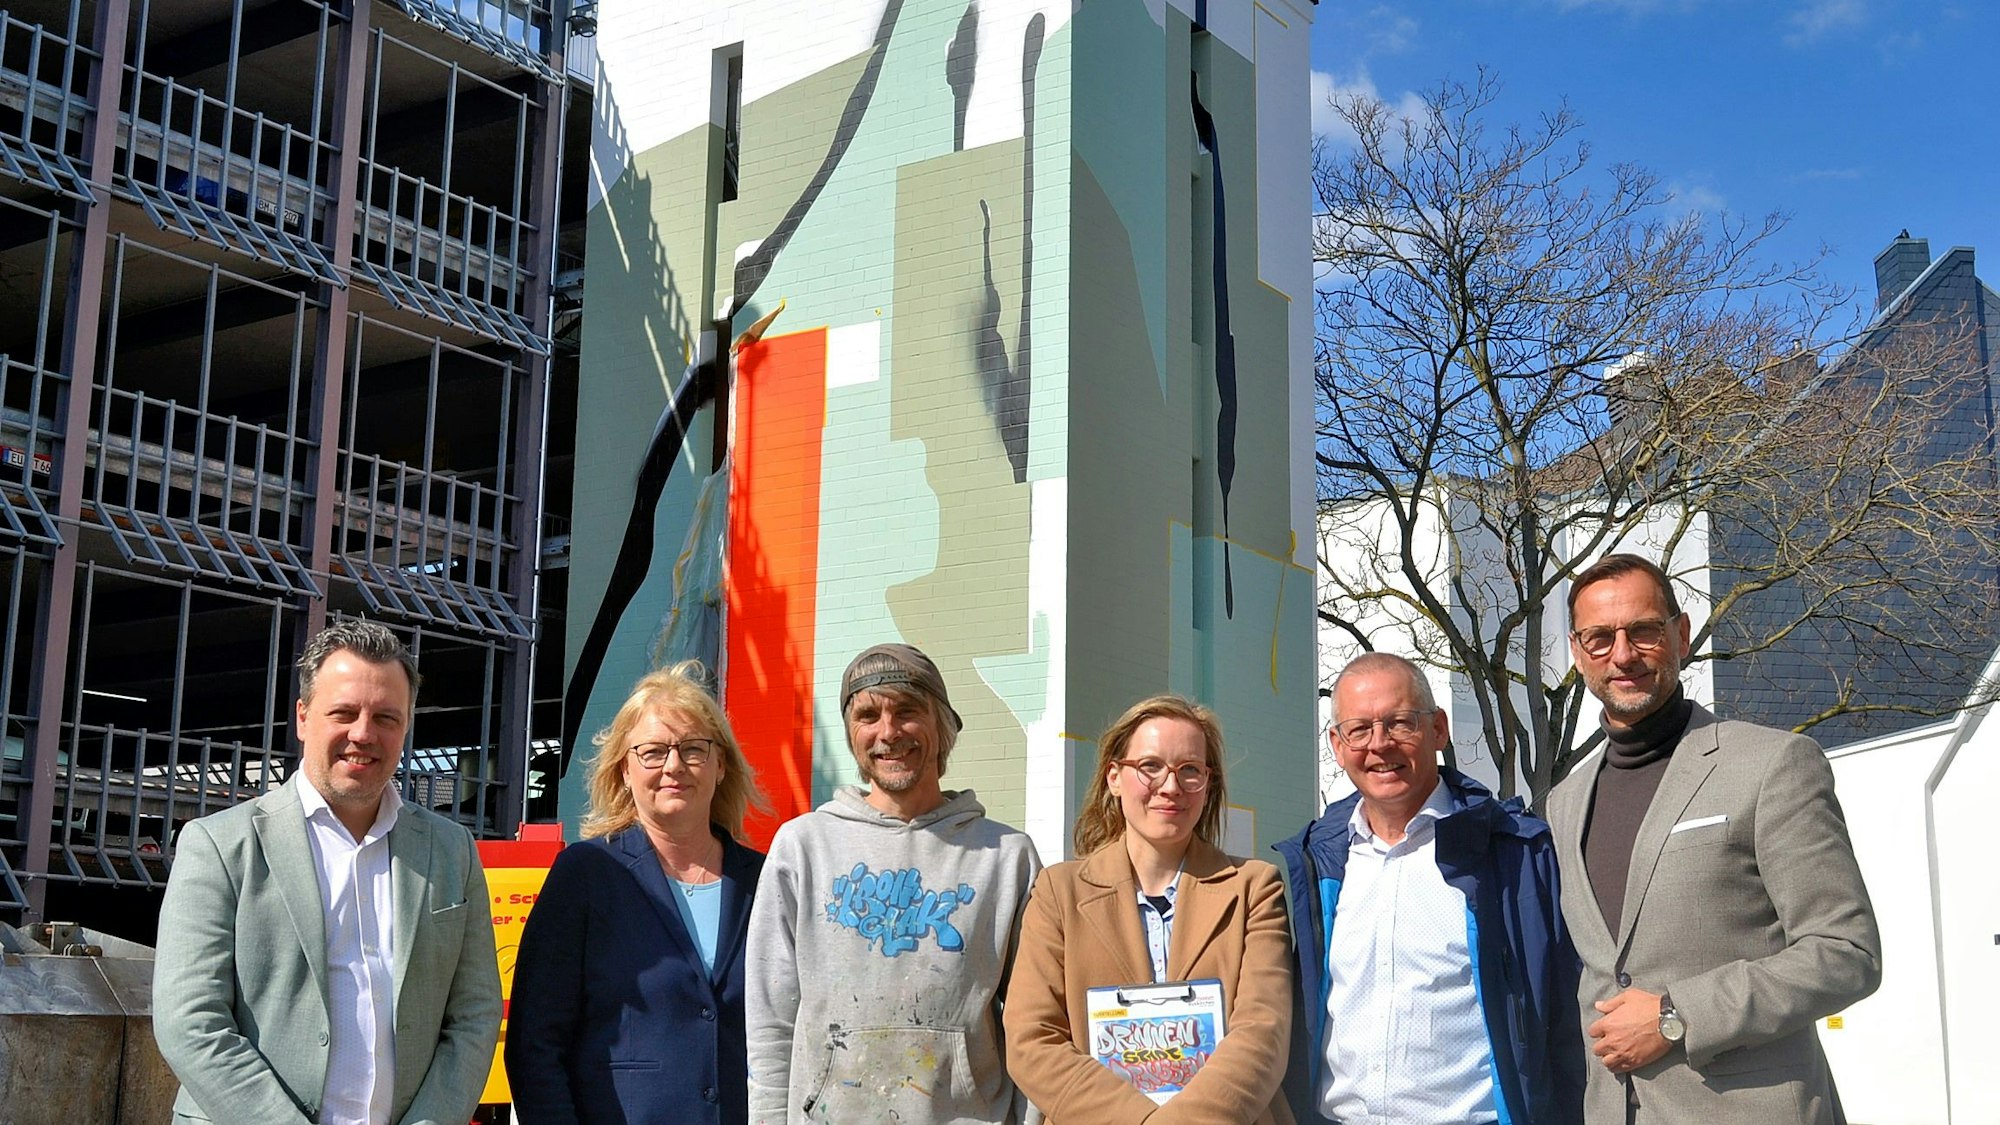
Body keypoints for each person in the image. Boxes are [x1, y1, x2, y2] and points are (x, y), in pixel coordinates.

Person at [1545, 554, 1880, 1123]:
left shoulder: (1771, 763)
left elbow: (1846, 953)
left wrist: (1678, 1016)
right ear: (1578, 655)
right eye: (1599, 638)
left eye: (1643, 631)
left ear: (1680, 633)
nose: (1622, 655)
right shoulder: (1565, 803)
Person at [154, 619, 501, 1125]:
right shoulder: (220, 847)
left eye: (386, 717)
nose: (364, 733)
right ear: (302, 717)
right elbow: (190, 1022)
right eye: (344, 712)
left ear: (405, 727)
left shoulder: (453, 851)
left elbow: (474, 1015)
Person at [1275, 652, 1583, 1125]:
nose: (1380, 744)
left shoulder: (1512, 853)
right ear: (1337, 745)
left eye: (1400, 723)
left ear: (1438, 729)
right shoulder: (1317, 861)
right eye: (1359, 729)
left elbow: (1565, 1022)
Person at [745, 643, 1042, 1124]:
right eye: (868, 715)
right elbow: (770, 1022)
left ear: (941, 727)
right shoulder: (803, 848)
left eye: (907, 711)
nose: (888, 732)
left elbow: (1035, 1023)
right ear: (851, 733)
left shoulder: (1007, 859)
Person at [1004, 695, 1294, 1123]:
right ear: (1115, 777)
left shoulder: (1255, 888)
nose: (1171, 787)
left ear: (1208, 784)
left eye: (1190, 770)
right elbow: (1032, 1040)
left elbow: (1262, 1033)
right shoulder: (1058, 893)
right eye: (1151, 767)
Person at [506, 662, 770, 1124]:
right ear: (625, 770)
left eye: (693, 749)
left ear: (721, 764)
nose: (673, 766)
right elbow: (536, 1043)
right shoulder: (587, 874)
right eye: (652, 752)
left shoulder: (765, 881)